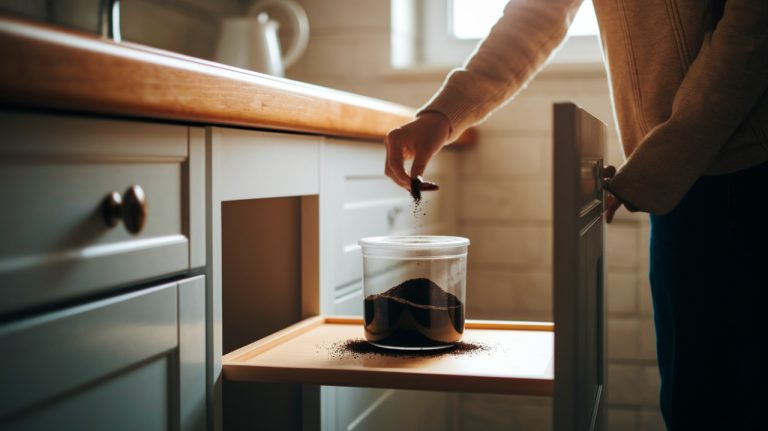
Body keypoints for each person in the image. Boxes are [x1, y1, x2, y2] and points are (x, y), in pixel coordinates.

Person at [384, 1, 768, 429]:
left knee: (720, 402)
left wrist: (660, 161)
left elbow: (753, 26)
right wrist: (442, 115)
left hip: (741, 167)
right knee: (691, 399)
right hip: (687, 181)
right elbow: (537, 15)